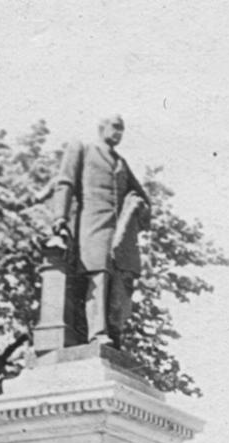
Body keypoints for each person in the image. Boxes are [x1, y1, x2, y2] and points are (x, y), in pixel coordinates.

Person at [52, 115, 150, 348]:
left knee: (117, 283)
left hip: (118, 235)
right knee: (98, 277)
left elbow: (143, 199)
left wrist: (139, 207)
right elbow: (65, 182)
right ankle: (97, 333)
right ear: (101, 127)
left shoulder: (121, 162)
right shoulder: (83, 148)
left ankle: (114, 335)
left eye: (122, 130)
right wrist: (60, 217)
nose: (119, 133)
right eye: (115, 127)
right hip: (92, 226)